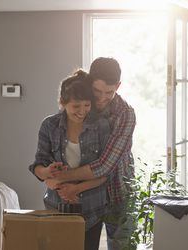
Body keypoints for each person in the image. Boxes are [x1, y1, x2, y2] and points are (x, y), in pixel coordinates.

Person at [45, 57, 136, 250]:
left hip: (118, 193)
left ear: (118, 86)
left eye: (109, 92)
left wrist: (60, 178)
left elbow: (105, 166)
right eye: (97, 91)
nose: (102, 98)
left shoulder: (125, 114)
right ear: (90, 82)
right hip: (86, 197)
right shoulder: (81, 104)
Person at [28, 69, 112, 250]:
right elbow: (37, 165)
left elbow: (105, 172)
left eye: (87, 105)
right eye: (76, 106)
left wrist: (76, 188)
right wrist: (47, 173)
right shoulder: (49, 126)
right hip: (57, 208)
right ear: (62, 103)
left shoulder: (101, 126)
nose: (82, 111)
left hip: (92, 208)